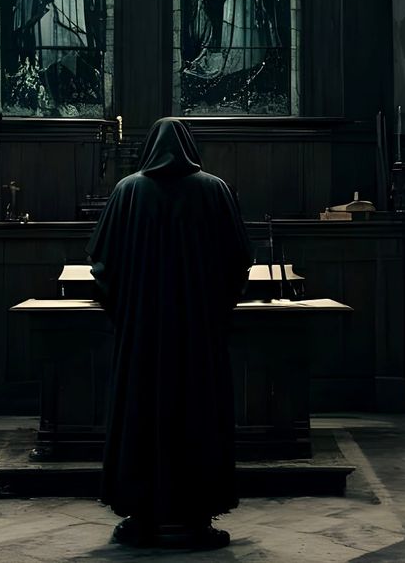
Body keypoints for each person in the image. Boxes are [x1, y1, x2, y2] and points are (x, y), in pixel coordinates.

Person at [87, 118, 252, 550]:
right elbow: (238, 263)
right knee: (200, 413)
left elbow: (102, 267)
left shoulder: (128, 191)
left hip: (143, 335)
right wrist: (213, 310)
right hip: (199, 335)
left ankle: (140, 518)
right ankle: (198, 519)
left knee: (140, 412)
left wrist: (128, 312)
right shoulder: (214, 189)